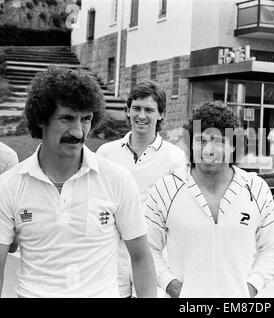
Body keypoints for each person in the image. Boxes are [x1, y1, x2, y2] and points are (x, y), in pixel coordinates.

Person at [0, 66, 157, 298]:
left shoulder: (116, 179)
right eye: (67, 118)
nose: (78, 131)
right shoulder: (9, 185)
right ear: (42, 119)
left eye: (86, 119)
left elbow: (142, 256)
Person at [145, 101, 274, 298]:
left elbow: (273, 246)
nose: (209, 150)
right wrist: (171, 285)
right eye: (201, 140)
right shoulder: (166, 188)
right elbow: (148, 247)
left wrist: (252, 286)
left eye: (219, 141)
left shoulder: (256, 188)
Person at [97, 80, 187, 298]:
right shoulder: (105, 154)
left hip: (152, 255)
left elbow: (178, 212)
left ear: (161, 115)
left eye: (149, 110)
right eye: (136, 108)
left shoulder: (175, 158)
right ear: (127, 111)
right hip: (111, 256)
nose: (142, 115)